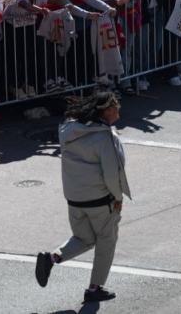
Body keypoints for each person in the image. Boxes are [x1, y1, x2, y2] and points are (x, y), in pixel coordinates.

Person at [35, 90, 130, 303]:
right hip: (100, 201)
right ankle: (95, 288)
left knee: (84, 239)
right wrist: (118, 198)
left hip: (74, 199)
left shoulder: (67, 130)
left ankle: (51, 259)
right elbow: (112, 173)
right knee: (107, 242)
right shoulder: (105, 136)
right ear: (108, 110)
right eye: (117, 108)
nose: (119, 112)